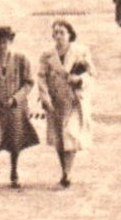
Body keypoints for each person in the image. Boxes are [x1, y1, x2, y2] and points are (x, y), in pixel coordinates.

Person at [0, 26, 37, 191]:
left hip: (15, 108)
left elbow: (29, 82)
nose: (2, 46)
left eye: (5, 42)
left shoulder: (21, 59)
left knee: (15, 141)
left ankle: (14, 171)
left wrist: (16, 98)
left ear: (11, 42)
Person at [37, 20, 95, 188]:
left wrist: (80, 79)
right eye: (56, 33)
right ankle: (64, 170)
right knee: (59, 139)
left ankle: (68, 174)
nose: (59, 36)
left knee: (70, 133)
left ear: (70, 35)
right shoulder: (47, 55)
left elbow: (92, 73)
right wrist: (44, 96)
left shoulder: (81, 52)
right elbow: (41, 77)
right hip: (55, 101)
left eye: (63, 32)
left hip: (74, 99)